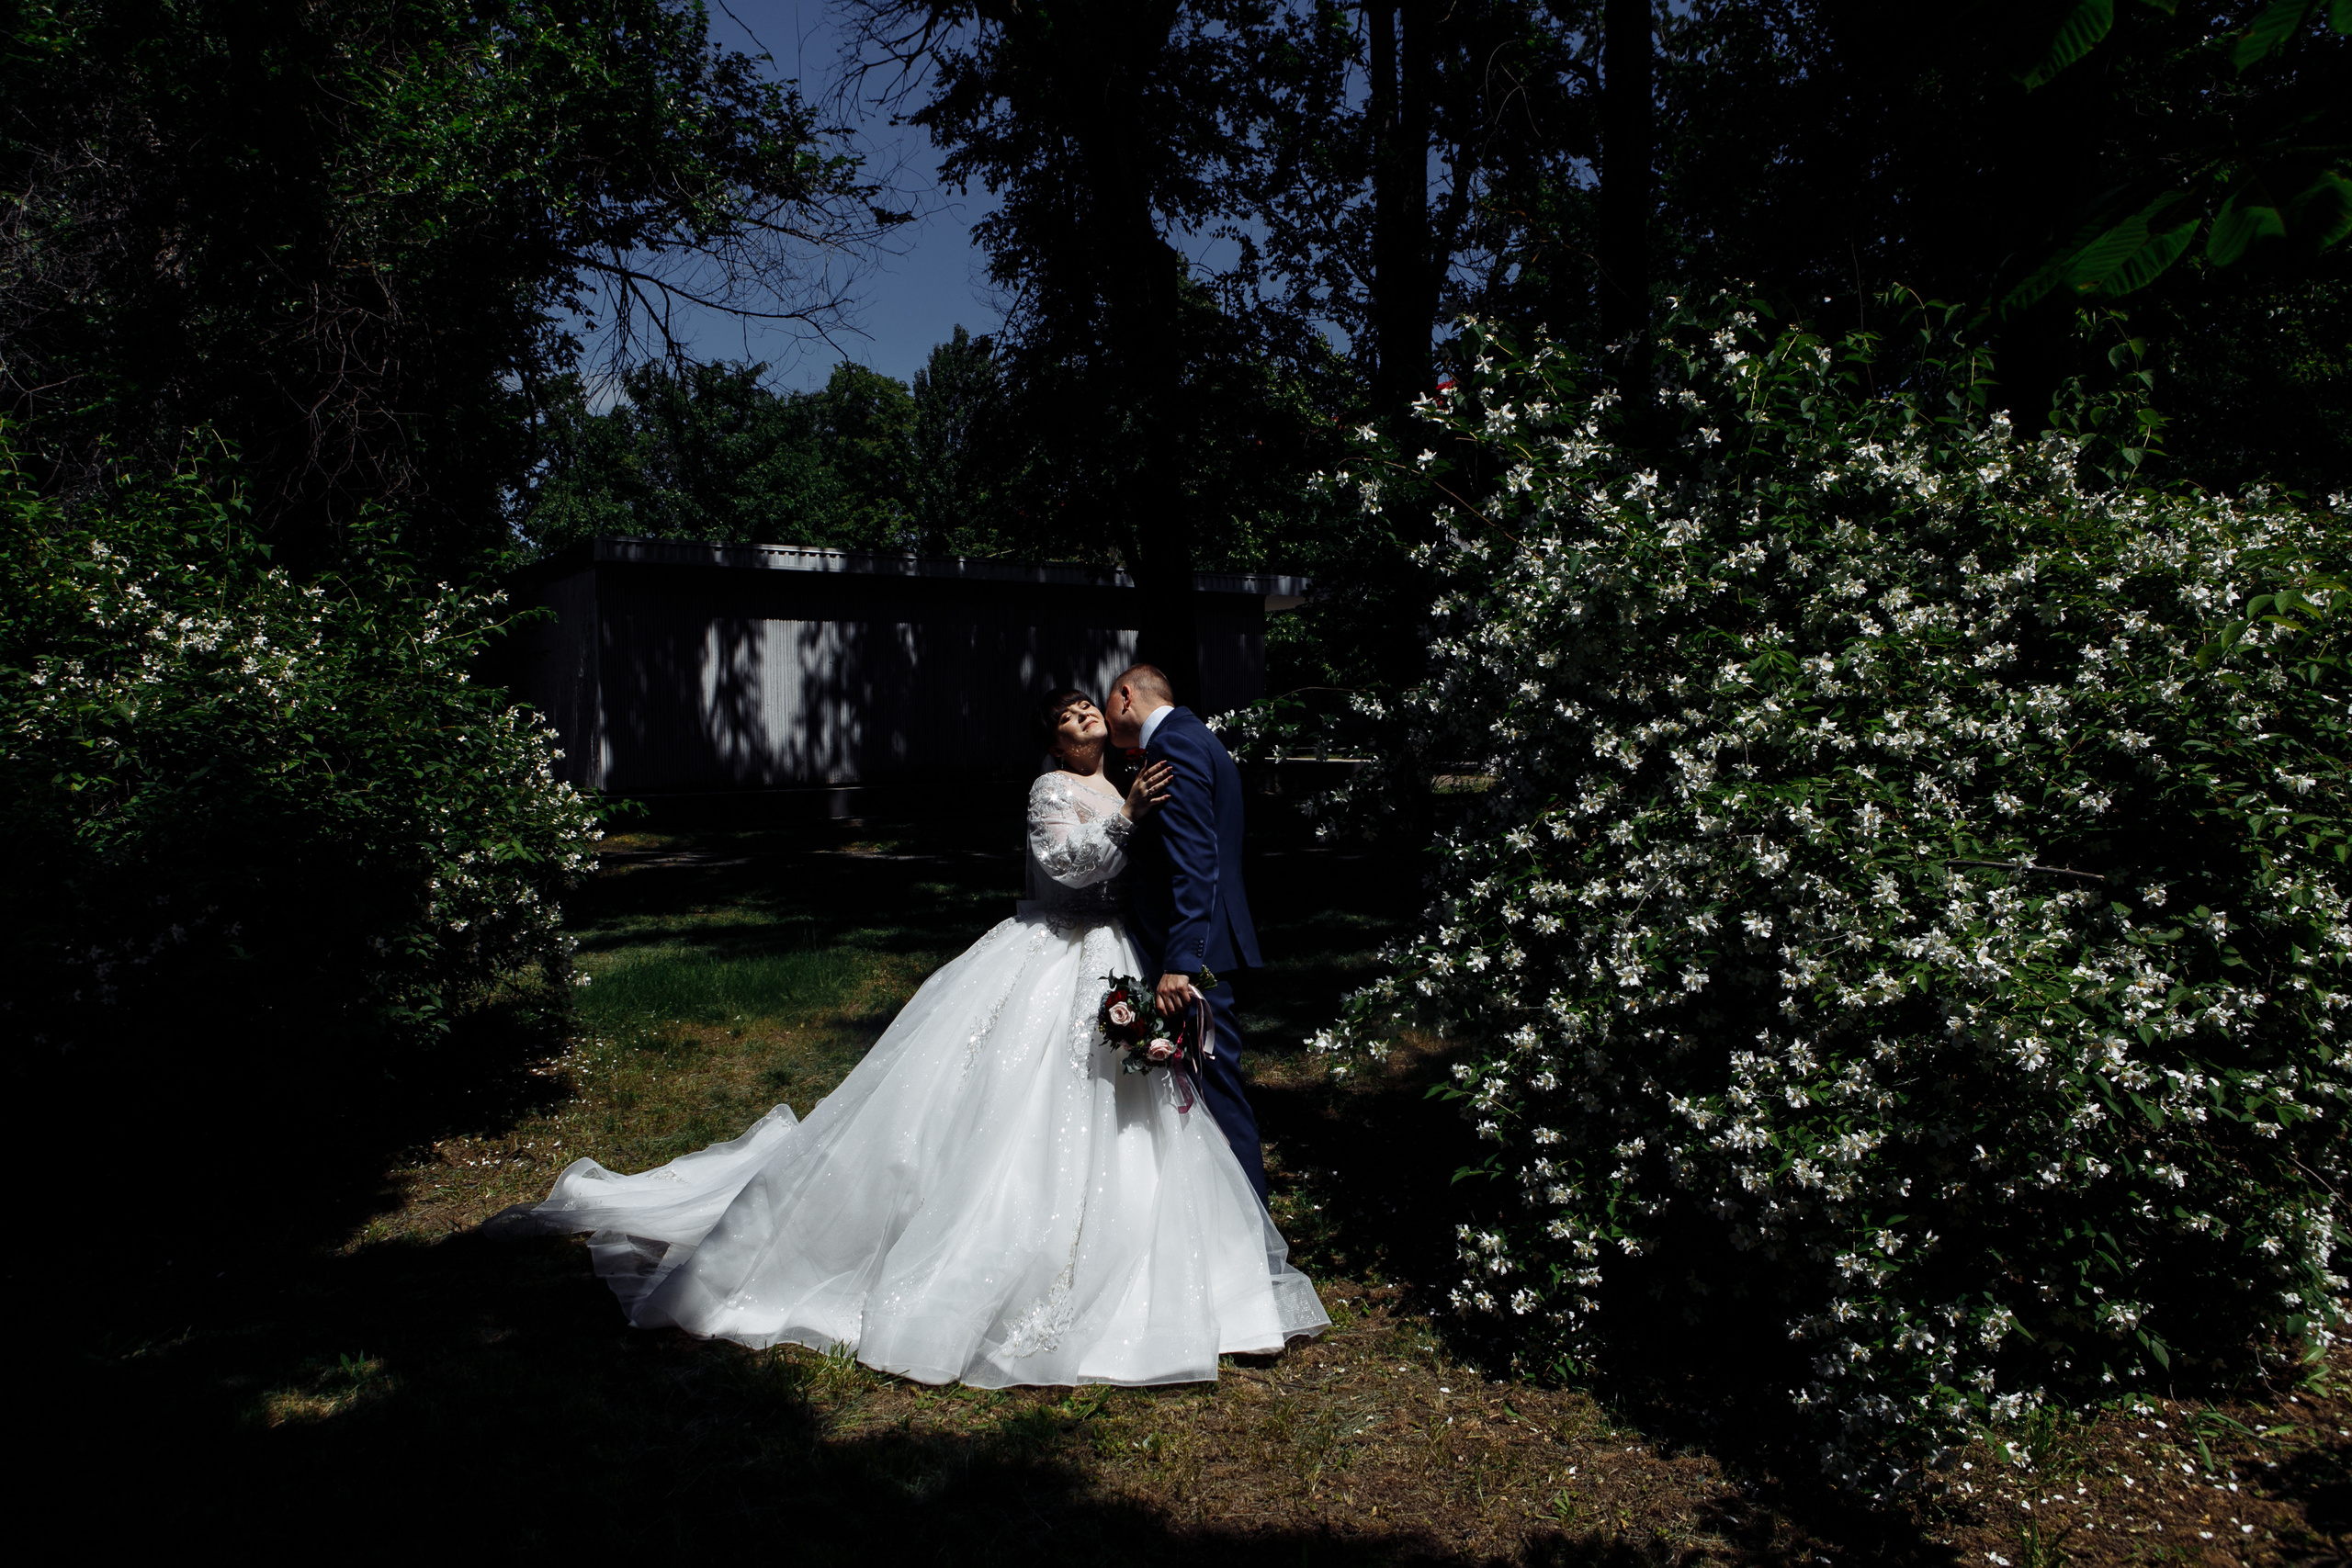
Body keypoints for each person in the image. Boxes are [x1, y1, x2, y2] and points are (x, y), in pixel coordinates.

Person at [493, 688, 1328, 1387]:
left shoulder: (1132, 782)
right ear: (1052, 739)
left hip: (1117, 959)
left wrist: (1141, 829)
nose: (1085, 718)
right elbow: (1066, 864)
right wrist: (1126, 821)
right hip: (1049, 955)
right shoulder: (1050, 790)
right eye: (1070, 716)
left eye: (1090, 709)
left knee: (1139, 1118)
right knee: (1004, 1103)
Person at [1102, 664, 1269, 1204]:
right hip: (1202, 947)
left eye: (1105, 702)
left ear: (1125, 696)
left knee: (1217, 1094)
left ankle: (1254, 1241)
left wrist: (1181, 961)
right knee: (1203, 1090)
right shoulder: (1195, 736)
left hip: (1197, 960)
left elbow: (1197, 864)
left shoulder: (1173, 747)